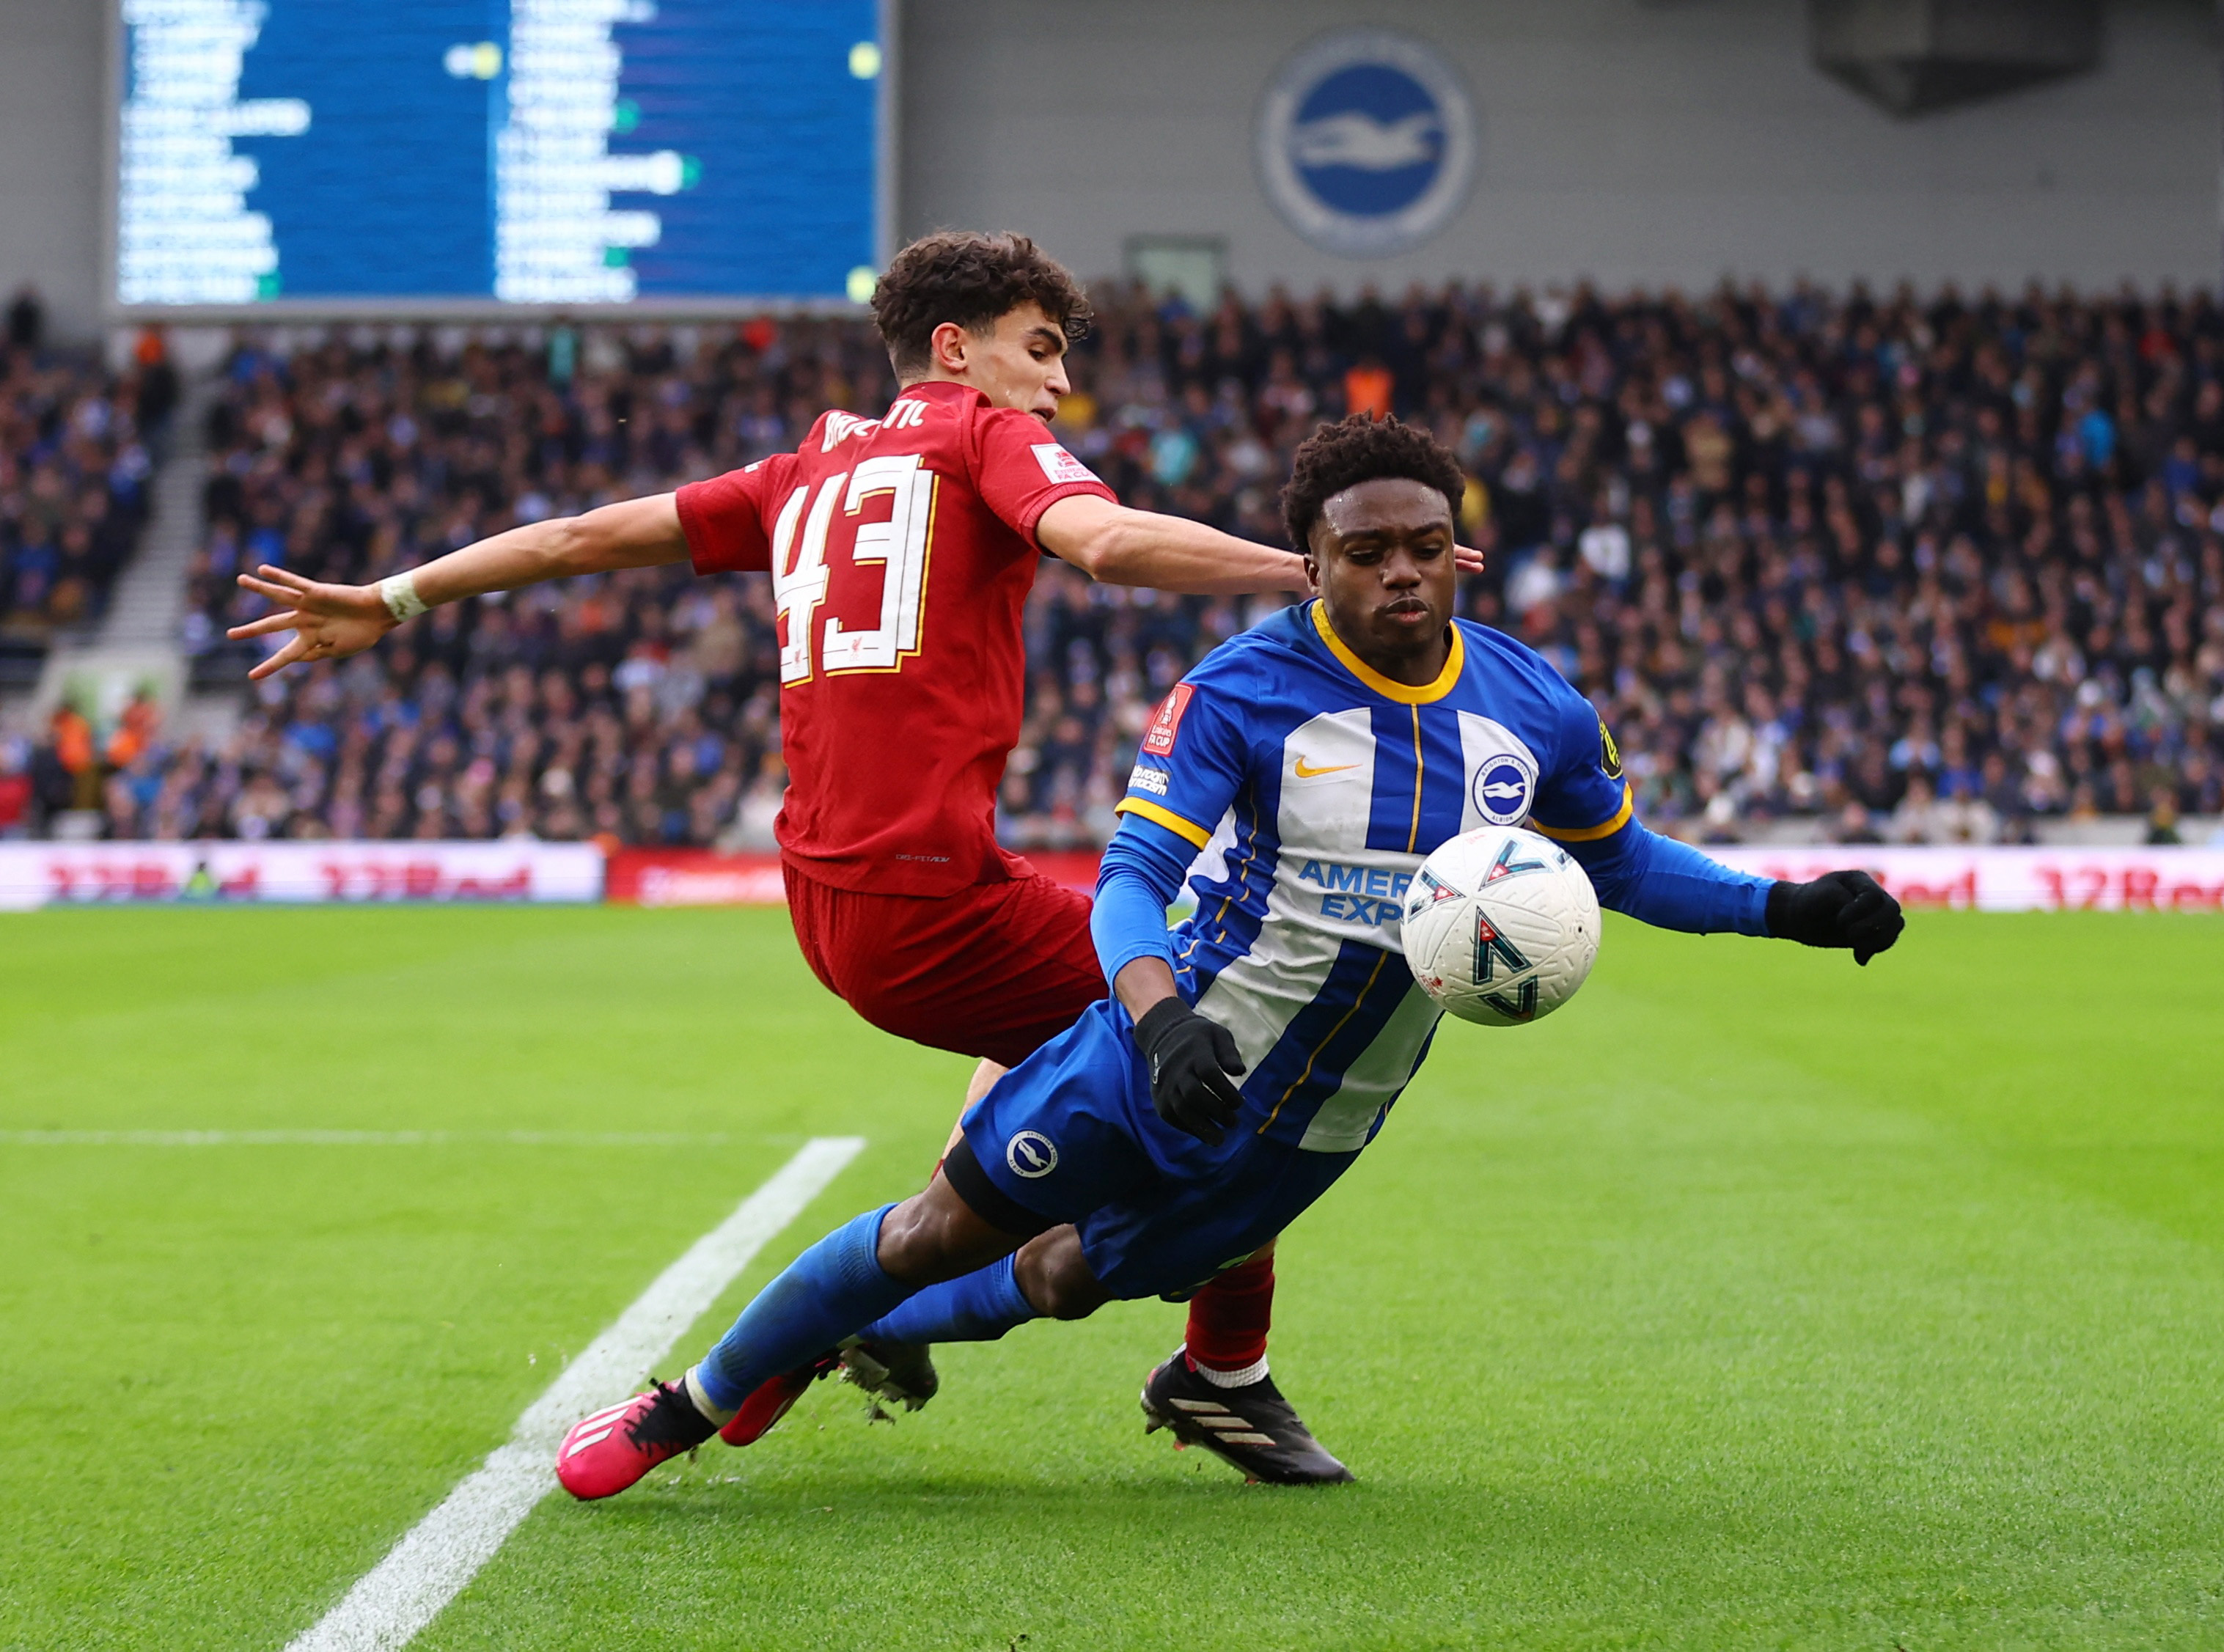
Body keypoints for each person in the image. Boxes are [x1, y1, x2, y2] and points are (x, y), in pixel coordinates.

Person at [227, 232, 1435, 1480]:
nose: (1056, 384)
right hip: (931, 902)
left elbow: (575, 539)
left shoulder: (799, 468)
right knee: (1229, 1037)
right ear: (955, 351)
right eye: (1040, 349)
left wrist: (395, 598)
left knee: (1111, 1012)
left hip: (829, 903)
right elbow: (1109, 545)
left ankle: (1065, 1309)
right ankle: (1158, 1357)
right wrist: (1314, 576)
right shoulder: (980, 434)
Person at [553, 415, 1906, 1500]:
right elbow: (1135, 876)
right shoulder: (1241, 689)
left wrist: (1783, 907)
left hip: (1314, 1127)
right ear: (1308, 562)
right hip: (1162, 1055)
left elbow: (1620, 862)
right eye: (1364, 550)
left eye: (1424, 546)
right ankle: (691, 1404)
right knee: (929, 1228)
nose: (1399, 574)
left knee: (1070, 1280)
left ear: (1460, 555)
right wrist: (1153, 1017)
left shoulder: (1536, 707)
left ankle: (885, 1332)